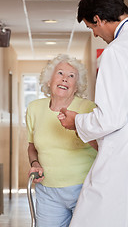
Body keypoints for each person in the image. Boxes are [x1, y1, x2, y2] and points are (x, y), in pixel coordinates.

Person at [58, 0, 128, 226]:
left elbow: (110, 118)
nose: (94, 34)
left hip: (124, 158)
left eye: (92, 27)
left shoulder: (118, 51)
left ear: (98, 18)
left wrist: (77, 121)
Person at [26, 54, 97, 227]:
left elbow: (102, 147)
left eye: (71, 76)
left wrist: (79, 127)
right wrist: (35, 163)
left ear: (76, 86)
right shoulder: (35, 108)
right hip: (47, 191)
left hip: (83, 188)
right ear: (49, 80)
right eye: (60, 73)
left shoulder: (88, 108)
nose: (65, 79)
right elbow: (32, 146)